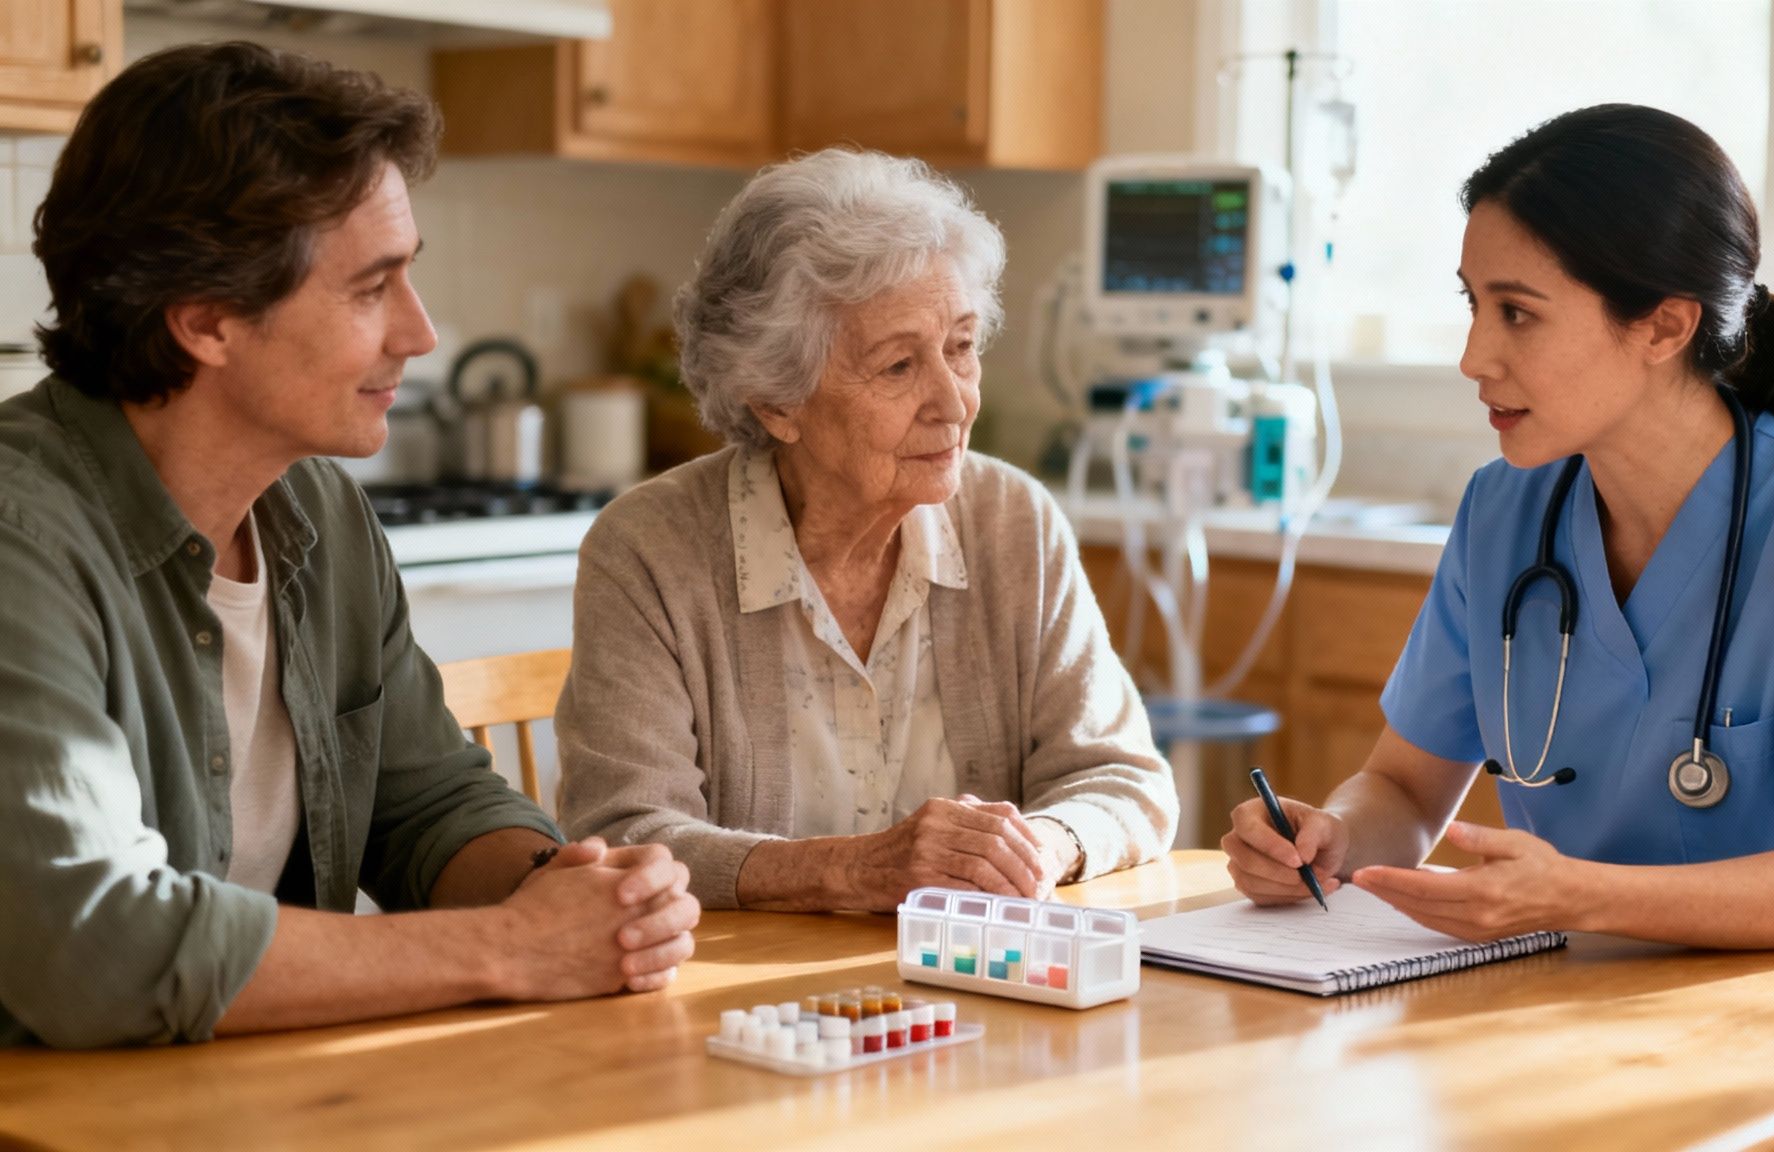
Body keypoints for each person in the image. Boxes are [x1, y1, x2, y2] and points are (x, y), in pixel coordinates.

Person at [0, 42, 699, 1049]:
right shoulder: (23, 538)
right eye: (373, 288)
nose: (418, 333)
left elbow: (422, 802)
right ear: (206, 321)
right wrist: (509, 948)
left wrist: (570, 892)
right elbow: (96, 949)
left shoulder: (316, 508)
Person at [1222, 104, 1774, 953]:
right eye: (1473, 303)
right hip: (1620, 996)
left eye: (1517, 312)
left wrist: (1570, 896)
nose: (1474, 355)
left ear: (1665, 324)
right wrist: (1328, 837)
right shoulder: (1504, 512)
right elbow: (1403, 791)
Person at [556, 149, 1177, 912]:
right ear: (776, 403)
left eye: (960, 346)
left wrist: (1037, 848)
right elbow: (624, 834)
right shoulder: (649, 549)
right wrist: (851, 869)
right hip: (752, 1010)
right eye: (897, 367)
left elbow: (1125, 777)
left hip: (983, 987)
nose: (954, 403)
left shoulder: (1013, 522)